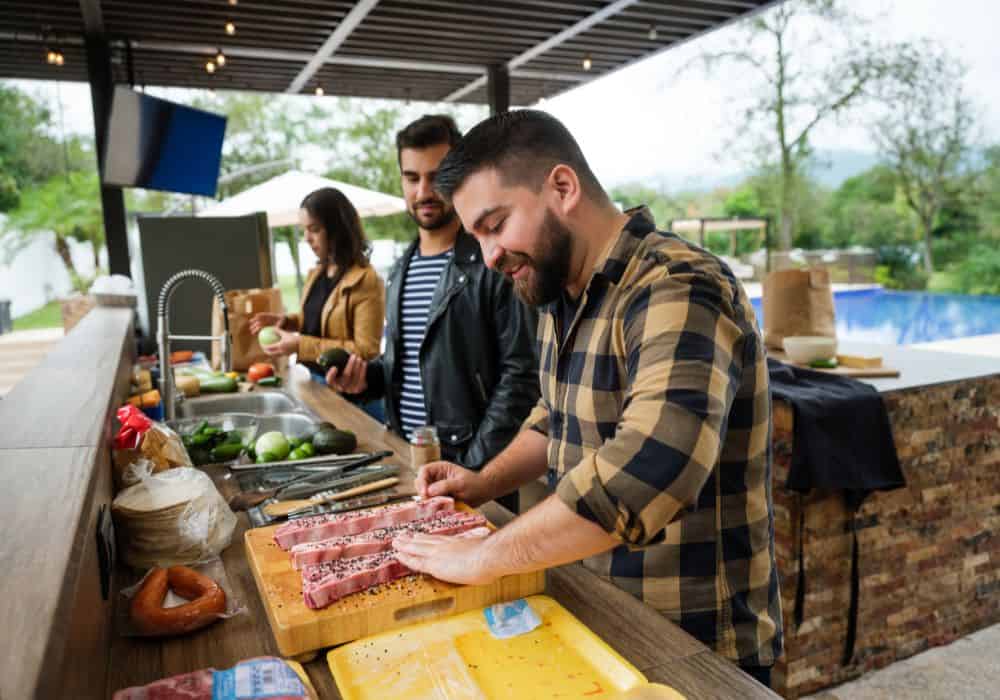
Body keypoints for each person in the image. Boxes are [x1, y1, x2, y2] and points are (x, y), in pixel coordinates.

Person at [391, 110, 782, 687]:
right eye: (478, 236)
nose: (492, 256)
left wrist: (483, 557)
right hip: (597, 620)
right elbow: (553, 420)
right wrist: (481, 483)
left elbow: (649, 469)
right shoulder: (558, 291)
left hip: (694, 646)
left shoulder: (677, 285)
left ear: (563, 187)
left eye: (496, 224)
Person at [326, 115, 539, 507]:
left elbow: (522, 377)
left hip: (476, 471)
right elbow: (411, 365)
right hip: (409, 460)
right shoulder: (400, 267)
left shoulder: (492, 262)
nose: (424, 190)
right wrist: (366, 381)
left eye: (436, 175)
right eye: (411, 177)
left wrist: (475, 469)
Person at [250, 187, 384, 367]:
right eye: (304, 229)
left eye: (314, 229)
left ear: (338, 229)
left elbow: (366, 351)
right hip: (310, 378)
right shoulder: (317, 273)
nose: (307, 238)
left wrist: (300, 344)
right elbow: (320, 319)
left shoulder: (367, 280)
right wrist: (287, 321)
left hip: (344, 391)